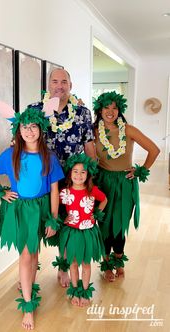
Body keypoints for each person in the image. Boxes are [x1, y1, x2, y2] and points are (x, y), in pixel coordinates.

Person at [0, 107, 64, 330]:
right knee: (26, 253)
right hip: (21, 209)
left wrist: (54, 219)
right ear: (18, 130)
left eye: (33, 126)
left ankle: (28, 282)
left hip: (40, 209)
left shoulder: (49, 157)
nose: (29, 131)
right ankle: (28, 306)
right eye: (24, 127)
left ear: (40, 129)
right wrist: (1, 191)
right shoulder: (12, 154)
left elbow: (55, 190)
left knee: (34, 251)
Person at [29, 68, 96, 287]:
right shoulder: (35, 110)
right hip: (41, 178)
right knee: (37, 225)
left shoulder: (83, 112)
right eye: (55, 81)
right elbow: (22, 139)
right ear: (48, 84)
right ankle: (28, 273)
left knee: (68, 223)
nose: (60, 85)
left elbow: (88, 145)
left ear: (71, 85)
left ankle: (64, 267)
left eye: (64, 81)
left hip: (71, 179)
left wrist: (92, 175)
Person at [93, 91, 160, 282]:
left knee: (120, 223)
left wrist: (141, 170)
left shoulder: (128, 130)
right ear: (100, 109)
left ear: (119, 110)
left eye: (115, 107)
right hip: (103, 181)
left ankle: (119, 259)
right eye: (106, 107)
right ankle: (106, 265)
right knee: (104, 223)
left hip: (125, 183)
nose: (110, 111)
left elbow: (154, 150)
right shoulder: (94, 131)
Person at [59, 153, 107, 306]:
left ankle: (85, 292)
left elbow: (104, 199)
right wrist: (63, 218)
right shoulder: (65, 192)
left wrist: (95, 214)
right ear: (70, 173)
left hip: (87, 232)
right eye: (75, 171)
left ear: (88, 174)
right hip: (72, 232)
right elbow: (57, 207)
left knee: (86, 263)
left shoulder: (91, 190)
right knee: (72, 263)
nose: (79, 175)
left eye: (83, 172)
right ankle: (74, 290)